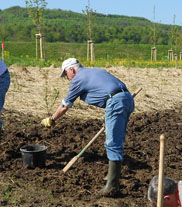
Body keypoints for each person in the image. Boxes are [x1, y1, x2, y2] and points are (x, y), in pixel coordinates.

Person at [42, 58, 134, 197]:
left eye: (66, 75)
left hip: (115, 102)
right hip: (126, 99)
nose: (67, 78)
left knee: (112, 142)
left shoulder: (78, 79)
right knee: (117, 138)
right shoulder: (93, 71)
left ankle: (112, 185)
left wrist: (52, 119)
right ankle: (111, 176)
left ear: (71, 70)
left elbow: (65, 105)